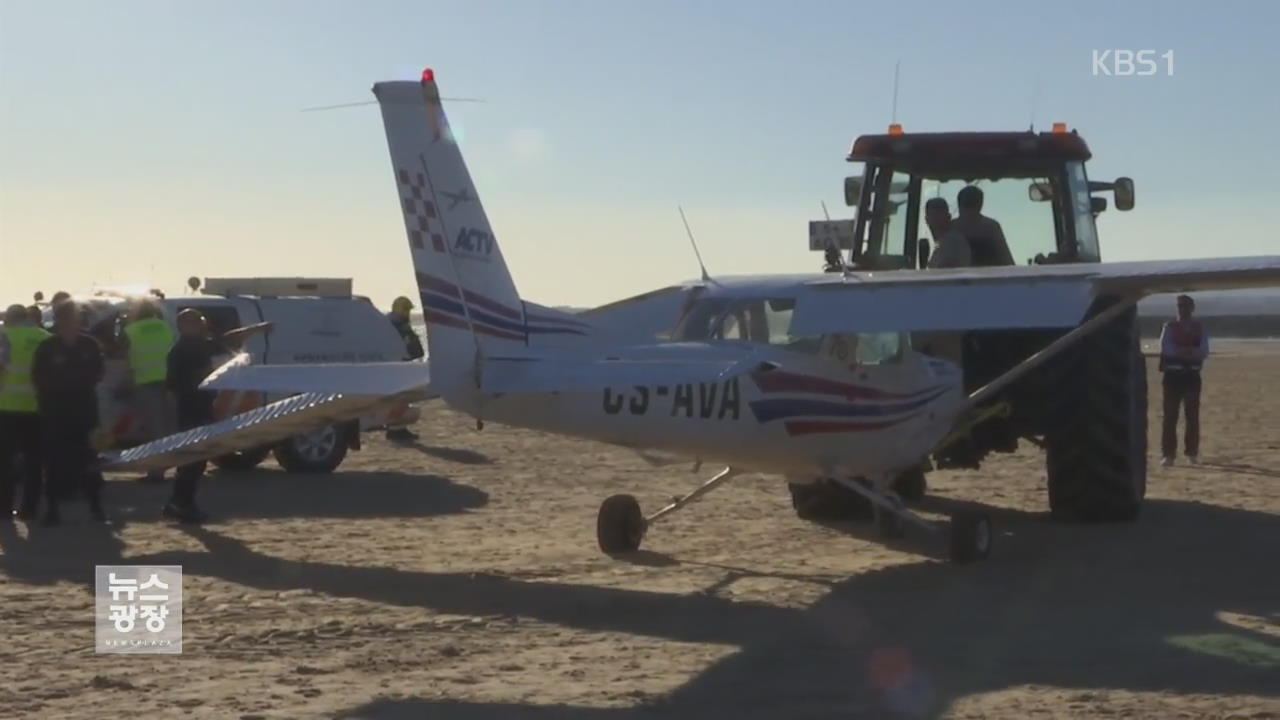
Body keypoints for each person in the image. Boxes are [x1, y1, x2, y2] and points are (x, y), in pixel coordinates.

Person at [165, 309, 272, 523]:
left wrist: (256, 330)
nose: (203, 326)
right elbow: (177, 383)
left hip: (196, 408)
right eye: (198, 323)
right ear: (186, 326)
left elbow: (227, 340)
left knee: (194, 460)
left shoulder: (189, 347)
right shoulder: (186, 348)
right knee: (193, 461)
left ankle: (178, 503)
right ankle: (182, 505)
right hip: (193, 410)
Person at [30, 301, 107, 525]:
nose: (71, 322)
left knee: (90, 458)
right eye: (66, 318)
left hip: (85, 410)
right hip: (56, 411)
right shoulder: (48, 346)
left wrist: (78, 384)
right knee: (54, 461)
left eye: (74, 318)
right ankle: (52, 509)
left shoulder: (89, 345)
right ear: (59, 320)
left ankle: (96, 505)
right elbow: (37, 377)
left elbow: (98, 372)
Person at [1, 304, 52, 520]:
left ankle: (3, 508)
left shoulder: (4, 336)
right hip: (37, 407)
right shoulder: (46, 338)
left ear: (9, 319)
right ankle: (29, 508)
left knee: (4, 461)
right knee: (34, 461)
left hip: (7, 407)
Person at [119, 300, 176, 483]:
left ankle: (156, 471)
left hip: (144, 382)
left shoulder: (130, 331)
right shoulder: (164, 327)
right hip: (166, 381)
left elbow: (123, 355)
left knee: (153, 430)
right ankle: (163, 465)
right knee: (164, 428)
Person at [1158, 295, 1208, 466]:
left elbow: (1204, 350)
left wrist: (1185, 351)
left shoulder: (1199, 327)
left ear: (1192, 307)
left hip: (1192, 376)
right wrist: (1187, 351)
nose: (1182, 309)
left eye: (1185, 305)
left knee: (1192, 416)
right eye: (1179, 305)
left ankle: (1192, 453)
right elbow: (1167, 348)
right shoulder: (1169, 327)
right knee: (1170, 416)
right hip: (1173, 376)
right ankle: (1168, 455)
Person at [385, 296, 424, 442]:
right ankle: (396, 430)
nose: (408, 313)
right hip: (399, 365)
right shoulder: (400, 325)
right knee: (400, 399)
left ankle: (396, 428)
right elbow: (414, 347)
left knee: (398, 399)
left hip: (391, 364)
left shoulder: (387, 322)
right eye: (407, 310)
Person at [951, 185, 1015, 266]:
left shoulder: (950, 227)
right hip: (989, 276)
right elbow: (1007, 261)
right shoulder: (991, 227)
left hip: (954, 277)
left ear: (959, 204)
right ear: (980, 204)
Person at [923, 197, 972, 268]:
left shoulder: (953, 242)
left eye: (939, 216)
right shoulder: (942, 243)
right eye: (934, 216)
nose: (937, 220)